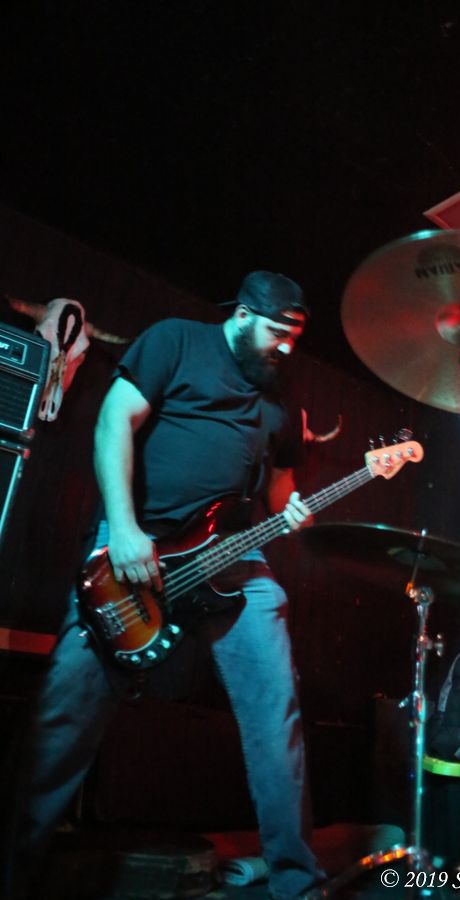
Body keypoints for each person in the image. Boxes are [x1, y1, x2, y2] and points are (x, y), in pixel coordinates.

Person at [2, 271, 325, 900]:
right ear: (242, 316)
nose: (287, 347)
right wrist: (124, 528)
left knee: (276, 708)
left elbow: (279, 491)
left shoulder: (283, 394)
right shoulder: (176, 341)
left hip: (231, 554)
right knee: (63, 721)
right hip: (138, 546)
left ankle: (298, 885)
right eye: (278, 332)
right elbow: (113, 422)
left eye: (296, 336)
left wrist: (294, 511)